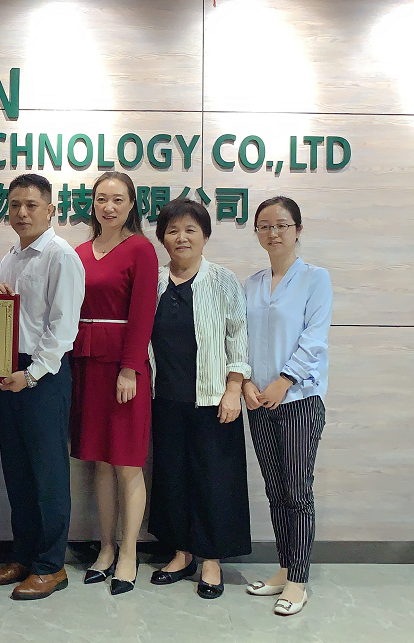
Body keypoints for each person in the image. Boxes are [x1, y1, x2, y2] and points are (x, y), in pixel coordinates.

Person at [0, 174, 85, 601]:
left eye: (31, 205)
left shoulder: (61, 257)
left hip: (43, 376)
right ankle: (23, 556)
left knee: (48, 475)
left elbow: (63, 329)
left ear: (50, 210)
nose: (22, 212)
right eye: (15, 205)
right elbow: (11, 317)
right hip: (8, 371)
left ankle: (51, 566)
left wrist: (32, 374)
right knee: (18, 472)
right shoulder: (11, 257)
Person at [148, 198, 251, 600]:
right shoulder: (154, 282)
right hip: (165, 396)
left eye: (191, 229)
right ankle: (181, 553)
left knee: (214, 480)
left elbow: (237, 335)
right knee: (172, 477)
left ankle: (211, 559)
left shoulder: (222, 280)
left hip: (213, 398)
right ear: (162, 238)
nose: (182, 237)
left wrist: (233, 389)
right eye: (172, 230)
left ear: (205, 236)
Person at [241, 196, 332, 617]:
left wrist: (284, 380)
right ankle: (283, 568)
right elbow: (240, 338)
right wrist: (245, 382)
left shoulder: (315, 279)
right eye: (264, 225)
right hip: (258, 401)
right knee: (275, 490)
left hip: (299, 400)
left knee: (297, 490)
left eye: (281, 224)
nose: (273, 232)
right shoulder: (252, 284)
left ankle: (298, 580)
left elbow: (314, 339)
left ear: (298, 229)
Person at [70, 172, 159, 595]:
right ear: (92, 203)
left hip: (124, 368)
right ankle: (105, 548)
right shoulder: (79, 252)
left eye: (118, 199)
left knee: (127, 462)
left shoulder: (141, 249)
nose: (109, 207)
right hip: (85, 363)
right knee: (99, 461)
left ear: (131, 205)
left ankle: (129, 553)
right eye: (101, 199)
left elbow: (142, 314)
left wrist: (130, 368)